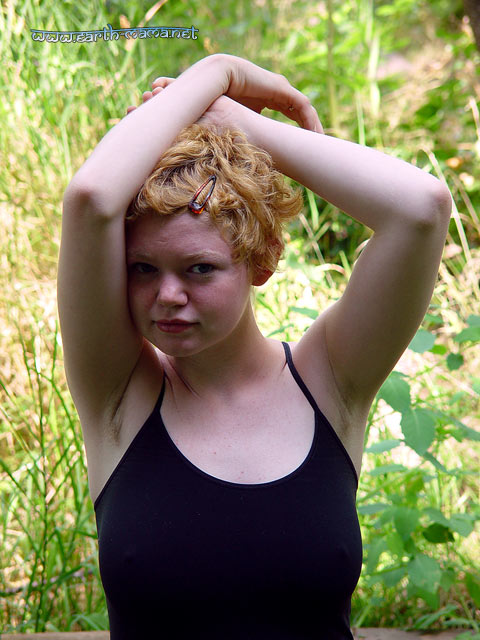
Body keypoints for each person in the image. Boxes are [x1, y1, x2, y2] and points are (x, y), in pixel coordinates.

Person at [57, 53, 452, 639]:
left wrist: (236, 122)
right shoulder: (119, 394)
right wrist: (219, 72)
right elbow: (90, 198)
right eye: (143, 268)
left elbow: (421, 208)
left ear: (260, 261)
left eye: (199, 268)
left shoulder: (331, 379)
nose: (167, 296)